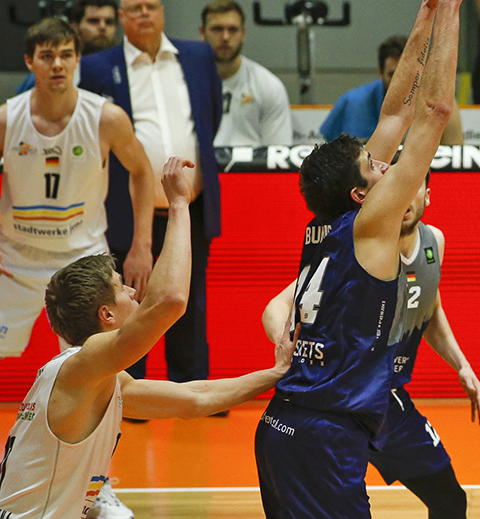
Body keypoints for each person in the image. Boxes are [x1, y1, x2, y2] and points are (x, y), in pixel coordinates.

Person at [254, 0, 471, 519]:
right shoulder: (370, 227)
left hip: (286, 426)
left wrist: (425, 12)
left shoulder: (329, 221)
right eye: (376, 167)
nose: (386, 164)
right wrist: (452, 10)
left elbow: (395, 110)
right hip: (325, 436)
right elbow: (433, 112)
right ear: (361, 193)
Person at [0, 158, 294, 519]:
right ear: (106, 315)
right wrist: (179, 204)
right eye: (119, 287)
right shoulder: (83, 364)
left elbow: (195, 399)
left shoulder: (102, 381)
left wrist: (278, 373)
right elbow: (169, 301)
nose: (131, 290)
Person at [262, 168, 480, 518]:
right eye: (398, 188)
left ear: (428, 196)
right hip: (342, 401)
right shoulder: (363, 249)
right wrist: (295, 354)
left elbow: (428, 308)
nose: (406, 196)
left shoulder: (434, 242)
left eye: (414, 187)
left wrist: (462, 365)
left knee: (450, 501)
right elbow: (276, 307)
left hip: (389, 403)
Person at [78, 0, 224, 384]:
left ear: (162, 12)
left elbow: (210, 117)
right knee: (126, 299)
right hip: (125, 209)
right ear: (122, 18)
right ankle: (125, 391)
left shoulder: (197, 57)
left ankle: (191, 389)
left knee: (188, 300)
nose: (144, 13)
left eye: (151, 6)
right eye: (135, 8)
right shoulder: (96, 67)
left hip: (189, 206)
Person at [1, 18, 155, 361]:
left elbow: (143, 171)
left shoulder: (106, 118)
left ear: (77, 60)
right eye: (47, 55)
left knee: (97, 361)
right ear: (29, 61)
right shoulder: (6, 120)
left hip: (83, 256)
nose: (57, 64)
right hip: (15, 258)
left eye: (66, 55)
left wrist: (142, 245)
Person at [320, 37, 464, 145]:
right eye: (393, 75)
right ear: (381, 73)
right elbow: (328, 152)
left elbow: (456, 157)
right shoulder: (352, 101)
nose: (401, 82)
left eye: (407, 74)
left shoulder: (440, 104)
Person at [199, 0, 294, 147]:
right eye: (217, 29)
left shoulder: (269, 86)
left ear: (243, 33)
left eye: (233, 30)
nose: (225, 37)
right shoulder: (183, 82)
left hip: (252, 163)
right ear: (202, 32)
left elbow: (277, 152)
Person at [15, 0, 120, 94]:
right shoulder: (50, 73)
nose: (102, 27)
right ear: (74, 26)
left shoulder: (124, 68)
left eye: (109, 22)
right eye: (94, 21)